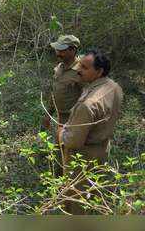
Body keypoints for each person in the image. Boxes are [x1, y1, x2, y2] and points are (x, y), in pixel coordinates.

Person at [59, 49, 123, 214]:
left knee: (76, 199)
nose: (79, 69)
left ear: (99, 71)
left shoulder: (88, 104)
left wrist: (61, 133)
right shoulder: (114, 87)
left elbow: (73, 141)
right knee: (93, 193)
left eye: (85, 68)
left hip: (82, 157)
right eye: (80, 64)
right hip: (102, 149)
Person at [42, 35, 84, 176]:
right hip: (60, 119)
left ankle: (70, 188)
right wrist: (49, 114)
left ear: (73, 50)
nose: (58, 53)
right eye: (57, 50)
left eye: (62, 50)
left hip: (74, 120)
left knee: (70, 155)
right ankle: (58, 186)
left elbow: (89, 99)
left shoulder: (81, 72)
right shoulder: (59, 68)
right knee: (58, 152)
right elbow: (55, 93)